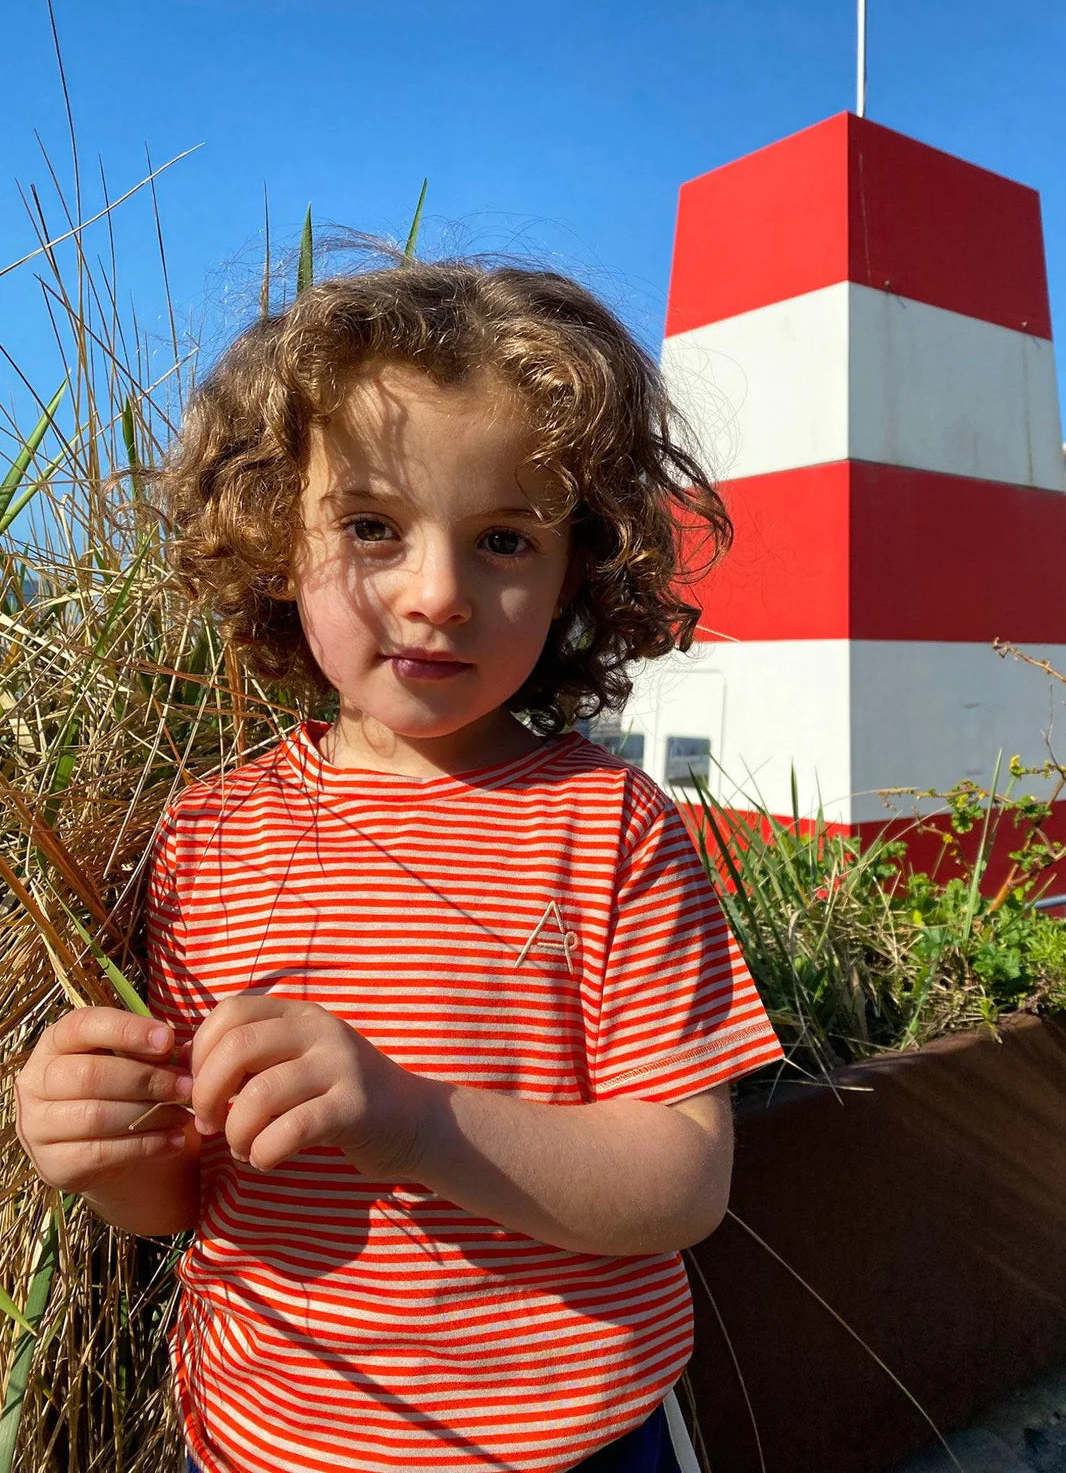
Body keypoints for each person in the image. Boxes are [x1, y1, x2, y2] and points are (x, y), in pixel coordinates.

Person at [15, 258, 782, 1473]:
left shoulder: (609, 822)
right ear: (276, 535)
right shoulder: (208, 836)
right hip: (269, 1438)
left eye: (502, 539)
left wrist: (412, 1119)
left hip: (571, 1443)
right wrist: (101, 1153)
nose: (438, 594)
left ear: (577, 569)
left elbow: (682, 1181)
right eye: (372, 526)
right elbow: (187, 1193)